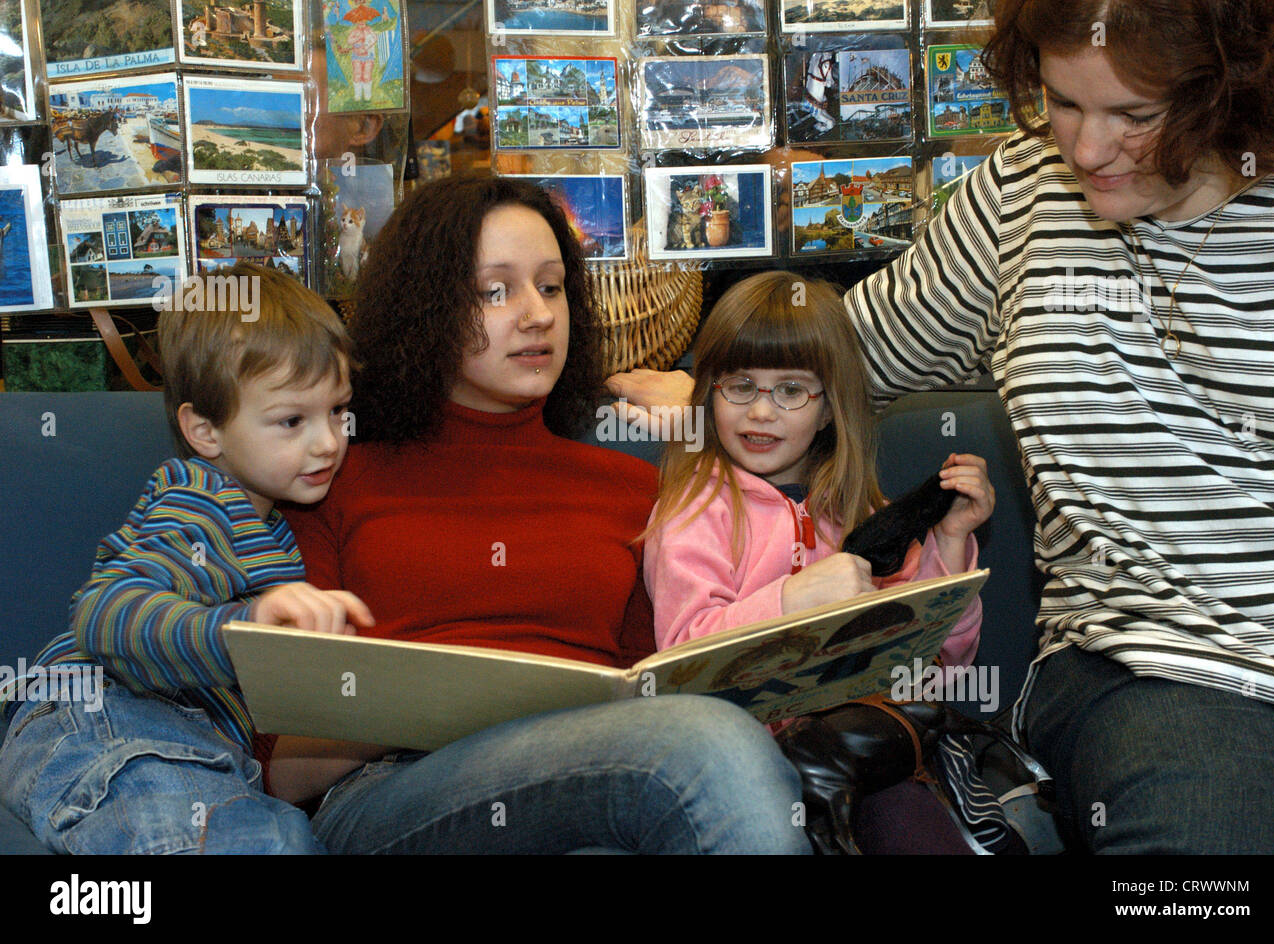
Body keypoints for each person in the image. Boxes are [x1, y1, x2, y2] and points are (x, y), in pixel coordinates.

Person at [611, 0, 1274, 853]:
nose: (1085, 149)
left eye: (1135, 116)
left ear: (1231, 98)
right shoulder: (1025, 192)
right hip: (1162, 663)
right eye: (1062, 101)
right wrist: (700, 384)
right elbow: (847, 352)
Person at [277, 175, 809, 854]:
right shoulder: (335, 475)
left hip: (607, 782)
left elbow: (653, 688)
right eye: (495, 291)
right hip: (396, 796)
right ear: (427, 307)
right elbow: (284, 771)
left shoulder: (631, 485)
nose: (537, 315)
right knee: (705, 743)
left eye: (552, 286)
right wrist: (453, 700)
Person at [0, 264, 370, 853]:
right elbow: (104, 614)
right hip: (105, 716)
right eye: (292, 421)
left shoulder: (275, 524)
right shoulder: (202, 500)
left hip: (199, 753)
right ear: (205, 431)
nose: (327, 441)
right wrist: (246, 631)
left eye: (337, 411)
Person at [644, 271, 987, 666]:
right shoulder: (696, 510)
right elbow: (683, 659)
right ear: (711, 395)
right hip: (737, 726)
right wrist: (791, 600)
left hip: (860, 721)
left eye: (791, 390)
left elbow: (936, 661)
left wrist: (948, 540)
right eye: (741, 386)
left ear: (828, 409)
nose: (759, 412)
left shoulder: (862, 511)